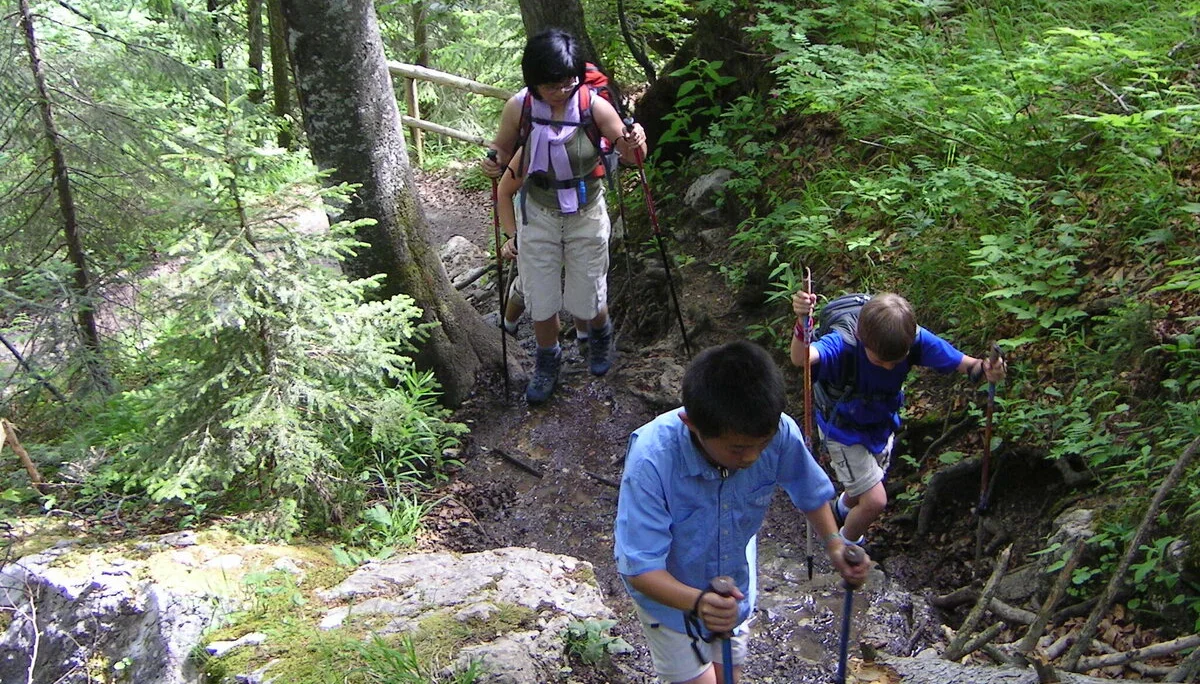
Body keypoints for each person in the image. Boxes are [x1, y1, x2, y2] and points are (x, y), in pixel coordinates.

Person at [614, 341, 870, 684]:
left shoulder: (777, 432)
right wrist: (700, 602)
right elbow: (640, 568)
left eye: (761, 445)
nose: (751, 457)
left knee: (727, 677)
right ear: (692, 424)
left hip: (734, 584)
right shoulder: (652, 460)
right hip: (670, 601)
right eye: (738, 449)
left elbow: (809, 491)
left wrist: (834, 543)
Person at [481, 28, 646, 404]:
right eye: (554, 83)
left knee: (587, 293)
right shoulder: (519, 107)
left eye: (571, 79)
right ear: (535, 81)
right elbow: (502, 149)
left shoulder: (593, 106)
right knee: (540, 296)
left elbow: (633, 157)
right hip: (537, 212)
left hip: (586, 212)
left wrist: (635, 141)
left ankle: (600, 334)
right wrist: (493, 162)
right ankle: (547, 360)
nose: (564, 88)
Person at [790, 291, 1007, 546]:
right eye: (880, 361)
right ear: (863, 339)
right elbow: (800, 358)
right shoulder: (846, 341)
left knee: (865, 485)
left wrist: (987, 369)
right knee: (874, 501)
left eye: (896, 361)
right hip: (842, 431)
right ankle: (845, 549)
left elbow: (969, 365)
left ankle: (840, 512)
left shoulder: (912, 339)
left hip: (881, 427)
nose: (889, 367)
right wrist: (803, 321)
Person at [494, 148, 591, 352]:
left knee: (581, 277)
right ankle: (508, 325)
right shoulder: (533, 146)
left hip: (578, 217)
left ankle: (585, 339)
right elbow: (504, 191)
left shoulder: (590, 137)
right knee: (532, 282)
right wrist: (513, 236)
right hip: (535, 218)